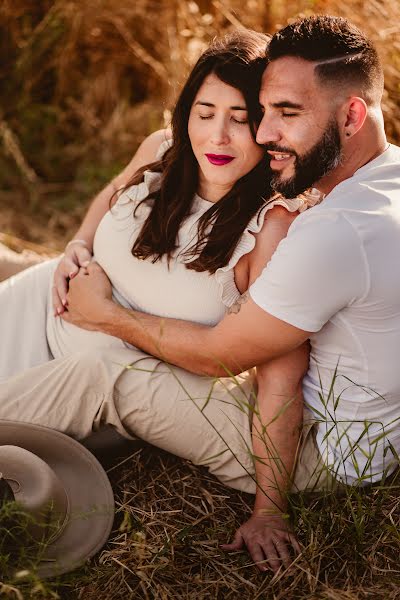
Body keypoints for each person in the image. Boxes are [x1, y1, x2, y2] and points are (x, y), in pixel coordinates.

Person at [45, 15, 400, 569]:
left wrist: (268, 512)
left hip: (322, 453)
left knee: (102, 374)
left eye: (286, 114)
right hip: (359, 428)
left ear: (352, 114)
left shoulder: (328, 232)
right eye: (266, 112)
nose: (262, 135)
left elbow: (227, 356)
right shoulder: (387, 178)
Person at [0, 29, 315, 571]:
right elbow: (112, 193)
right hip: (34, 305)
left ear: (267, 122)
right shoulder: (163, 149)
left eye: (239, 117)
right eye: (203, 111)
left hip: (89, 379)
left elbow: (278, 372)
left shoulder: (272, 228)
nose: (216, 135)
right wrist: (77, 243)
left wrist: (270, 509)